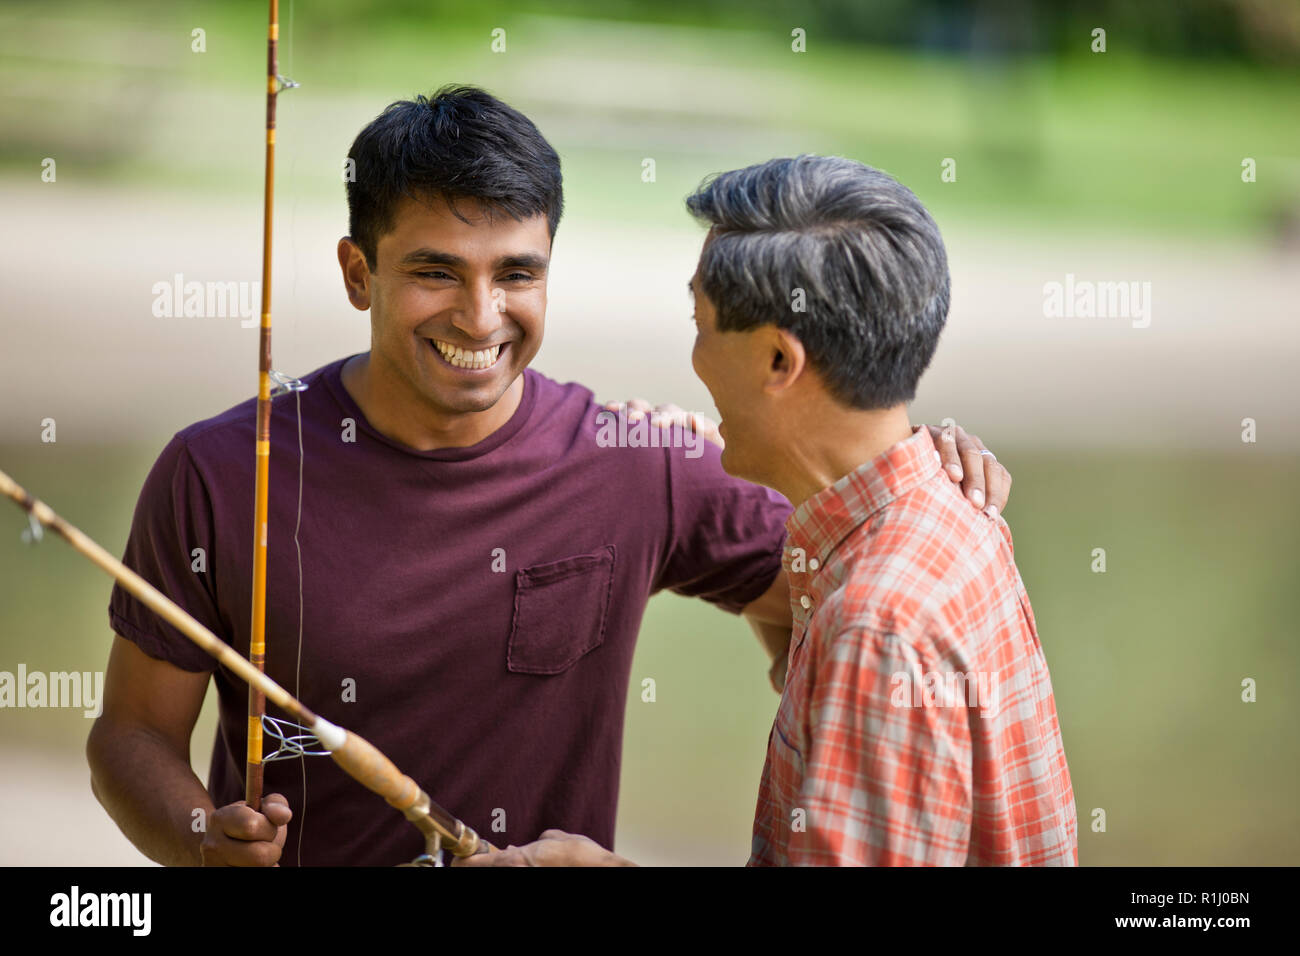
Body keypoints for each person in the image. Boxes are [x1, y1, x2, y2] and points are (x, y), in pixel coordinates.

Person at [86, 88, 1008, 866]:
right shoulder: (213, 472)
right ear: (359, 273)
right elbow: (131, 736)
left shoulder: (635, 457)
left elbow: (828, 583)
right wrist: (202, 836)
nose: (482, 316)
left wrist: (916, 471)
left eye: (517, 273)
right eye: (437, 272)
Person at [461, 155, 1075, 867]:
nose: (692, 359)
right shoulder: (946, 512)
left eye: (701, 323)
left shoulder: (877, 626)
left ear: (780, 363)